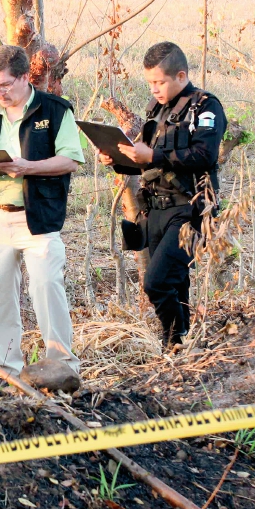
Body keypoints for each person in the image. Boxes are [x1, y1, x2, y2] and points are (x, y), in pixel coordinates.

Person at [0, 45, 85, 377]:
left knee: (46, 288)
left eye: (5, 84)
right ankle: (8, 371)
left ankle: (62, 368)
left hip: (38, 217)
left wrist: (28, 167)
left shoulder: (55, 110)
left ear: (24, 77)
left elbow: (71, 159)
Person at [99, 41, 226, 346]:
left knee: (156, 283)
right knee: (174, 282)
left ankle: (173, 339)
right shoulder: (156, 110)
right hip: (156, 210)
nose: (154, 89)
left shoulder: (205, 106)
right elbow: (148, 163)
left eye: (159, 82)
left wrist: (153, 156)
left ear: (181, 76)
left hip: (191, 210)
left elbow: (205, 155)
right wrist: (118, 161)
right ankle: (182, 349)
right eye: (150, 83)